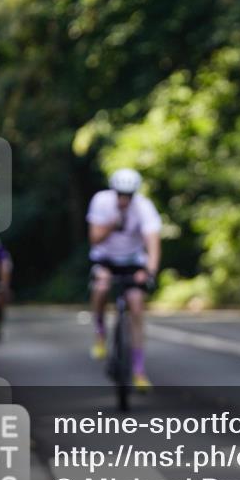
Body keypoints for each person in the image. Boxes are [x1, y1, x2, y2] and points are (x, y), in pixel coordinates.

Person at [87, 168, 162, 392]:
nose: (124, 199)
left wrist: (149, 271)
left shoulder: (144, 207)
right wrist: (112, 224)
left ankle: (139, 371)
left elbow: (153, 242)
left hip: (133, 261)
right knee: (101, 288)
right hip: (106, 259)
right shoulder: (100, 202)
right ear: (114, 191)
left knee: (137, 307)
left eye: (128, 195)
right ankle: (100, 332)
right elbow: (94, 238)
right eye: (120, 194)